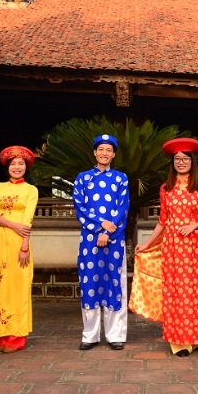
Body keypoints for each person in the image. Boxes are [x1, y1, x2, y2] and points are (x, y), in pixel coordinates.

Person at [134, 138, 198, 356]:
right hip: (173, 247)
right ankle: (179, 341)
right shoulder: (166, 189)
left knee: (196, 292)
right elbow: (162, 221)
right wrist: (147, 244)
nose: (181, 162)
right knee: (176, 292)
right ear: (173, 163)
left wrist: (195, 225)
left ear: (193, 162)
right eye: (177, 159)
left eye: (185, 159)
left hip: (194, 247)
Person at [72, 134, 130, 350]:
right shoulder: (82, 178)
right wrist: (100, 226)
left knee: (115, 283)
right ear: (94, 153)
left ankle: (116, 335)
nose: (104, 153)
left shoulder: (121, 178)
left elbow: (123, 208)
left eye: (109, 150)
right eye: (101, 149)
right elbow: (79, 207)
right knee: (89, 283)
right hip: (90, 240)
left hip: (115, 239)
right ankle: (90, 335)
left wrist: (108, 232)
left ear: (113, 155)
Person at [0, 146, 39, 353]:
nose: (17, 167)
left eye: (21, 164)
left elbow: (28, 219)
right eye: (13, 164)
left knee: (18, 287)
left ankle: (16, 338)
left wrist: (25, 245)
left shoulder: (31, 190)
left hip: (20, 242)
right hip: (1, 241)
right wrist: (13, 225)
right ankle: (1, 337)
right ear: (7, 167)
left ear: (26, 167)